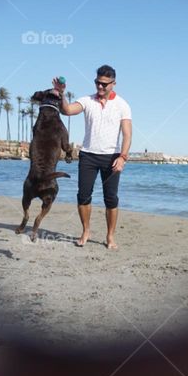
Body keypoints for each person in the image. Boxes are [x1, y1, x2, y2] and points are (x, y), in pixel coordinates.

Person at [53, 65, 132, 249]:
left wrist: (123, 157)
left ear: (113, 83)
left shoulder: (122, 105)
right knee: (83, 196)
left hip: (112, 156)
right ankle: (86, 230)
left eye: (104, 84)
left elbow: (127, 134)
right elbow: (67, 110)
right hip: (88, 155)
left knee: (111, 198)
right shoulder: (87, 100)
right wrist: (61, 94)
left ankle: (110, 236)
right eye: (97, 83)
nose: (100, 87)